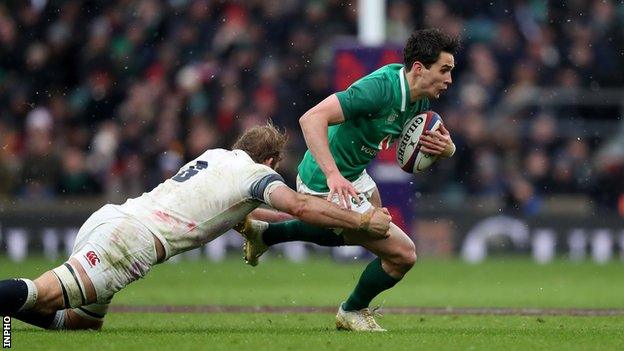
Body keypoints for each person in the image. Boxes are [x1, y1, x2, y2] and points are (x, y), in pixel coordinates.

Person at [0, 123, 392, 330]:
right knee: (44, 294)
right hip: (129, 243)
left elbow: (264, 213)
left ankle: (5, 316)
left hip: (109, 218)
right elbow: (300, 207)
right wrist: (360, 219)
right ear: (271, 160)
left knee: (80, 321)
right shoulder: (255, 176)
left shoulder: (215, 157)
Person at [240, 29, 459, 331]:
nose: (449, 79)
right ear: (419, 68)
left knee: (373, 240)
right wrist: (333, 176)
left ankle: (265, 235)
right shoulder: (379, 89)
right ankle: (351, 310)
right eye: (444, 70)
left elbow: (408, 157)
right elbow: (311, 118)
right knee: (402, 253)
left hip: (355, 174)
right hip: (323, 177)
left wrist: (448, 149)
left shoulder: (419, 101)